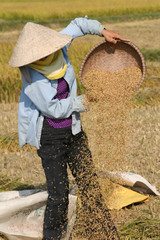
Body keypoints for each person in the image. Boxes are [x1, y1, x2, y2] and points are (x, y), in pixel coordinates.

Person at [9, 17, 129, 240]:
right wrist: (85, 100)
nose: (43, 55)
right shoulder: (32, 77)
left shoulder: (58, 47)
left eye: (45, 50)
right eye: (37, 54)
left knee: (89, 183)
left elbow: (78, 24)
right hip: (50, 137)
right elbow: (54, 109)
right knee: (59, 195)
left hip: (74, 131)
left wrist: (102, 31)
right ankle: (53, 236)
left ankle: (104, 232)